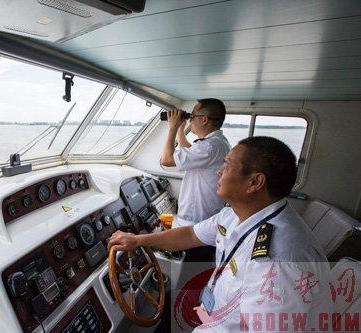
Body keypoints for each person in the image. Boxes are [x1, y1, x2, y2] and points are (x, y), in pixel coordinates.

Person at [110, 137, 330, 331]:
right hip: (213, 306)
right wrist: (138, 240)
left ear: (255, 182)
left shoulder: (279, 262)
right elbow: (190, 235)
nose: (219, 172)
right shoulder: (235, 213)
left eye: (226, 165)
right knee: (169, 305)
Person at [160, 98, 231, 228]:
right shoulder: (218, 142)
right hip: (204, 218)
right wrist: (181, 129)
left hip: (196, 221)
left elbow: (166, 159)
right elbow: (189, 152)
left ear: (204, 119)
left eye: (192, 116)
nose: (190, 119)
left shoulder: (209, 146)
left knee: (163, 230)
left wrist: (172, 128)